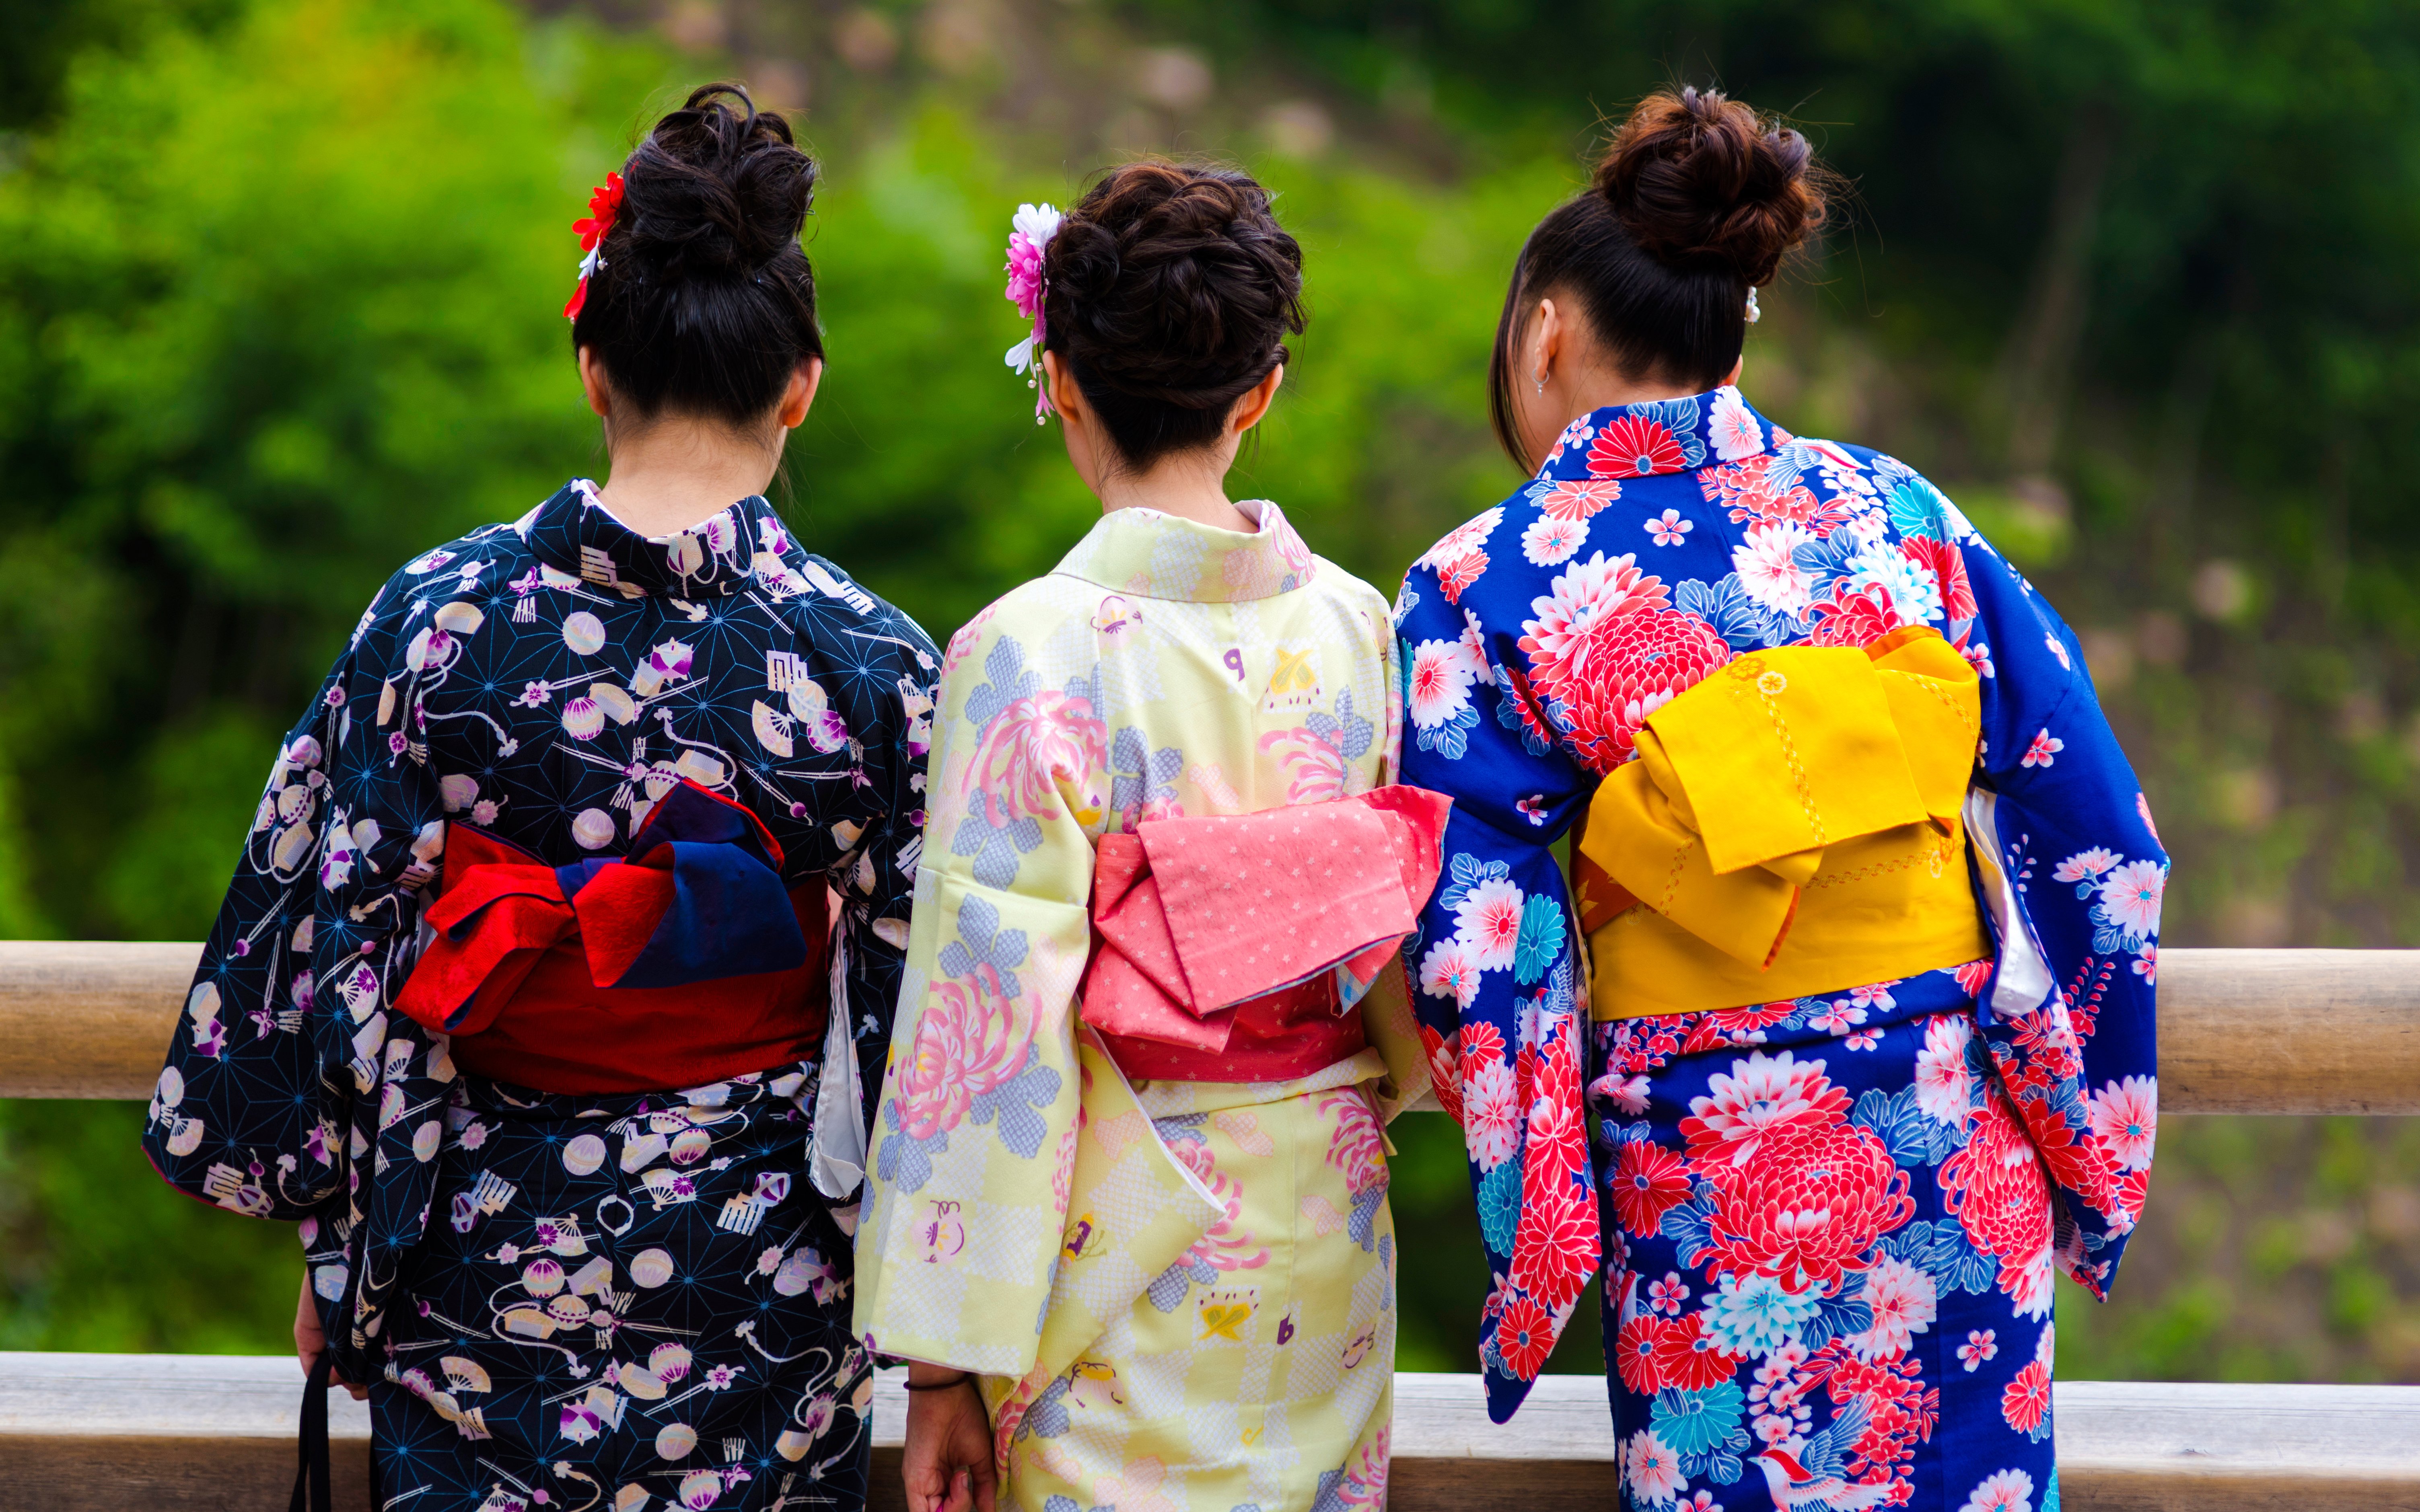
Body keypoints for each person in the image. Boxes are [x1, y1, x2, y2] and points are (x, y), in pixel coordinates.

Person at [141, 84, 938, 1512]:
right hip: (759, 1277)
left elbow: (340, 938)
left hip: (476, 1250)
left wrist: (342, 1253)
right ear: (802, 385)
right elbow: (923, 1020)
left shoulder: (436, 619)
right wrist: (941, 1348)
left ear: (591, 364)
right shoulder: (869, 660)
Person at [1394, 87, 2165, 1510]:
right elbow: (2100, 829)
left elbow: (1474, 945)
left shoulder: (1472, 584)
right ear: (1737, 320)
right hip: (1949, 1132)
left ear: (1547, 334)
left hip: (1703, 1162)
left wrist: (1541, 1236)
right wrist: (2087, 1130)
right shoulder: (1903, 515)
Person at [853, 162, 1438, 1512]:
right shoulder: (1356, 625)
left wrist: (944, 1367)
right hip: (1320, 1211)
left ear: (1055, 377)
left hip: (1123, 1224)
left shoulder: (1031, 649)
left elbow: (986, 1018)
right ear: (1260, 394)